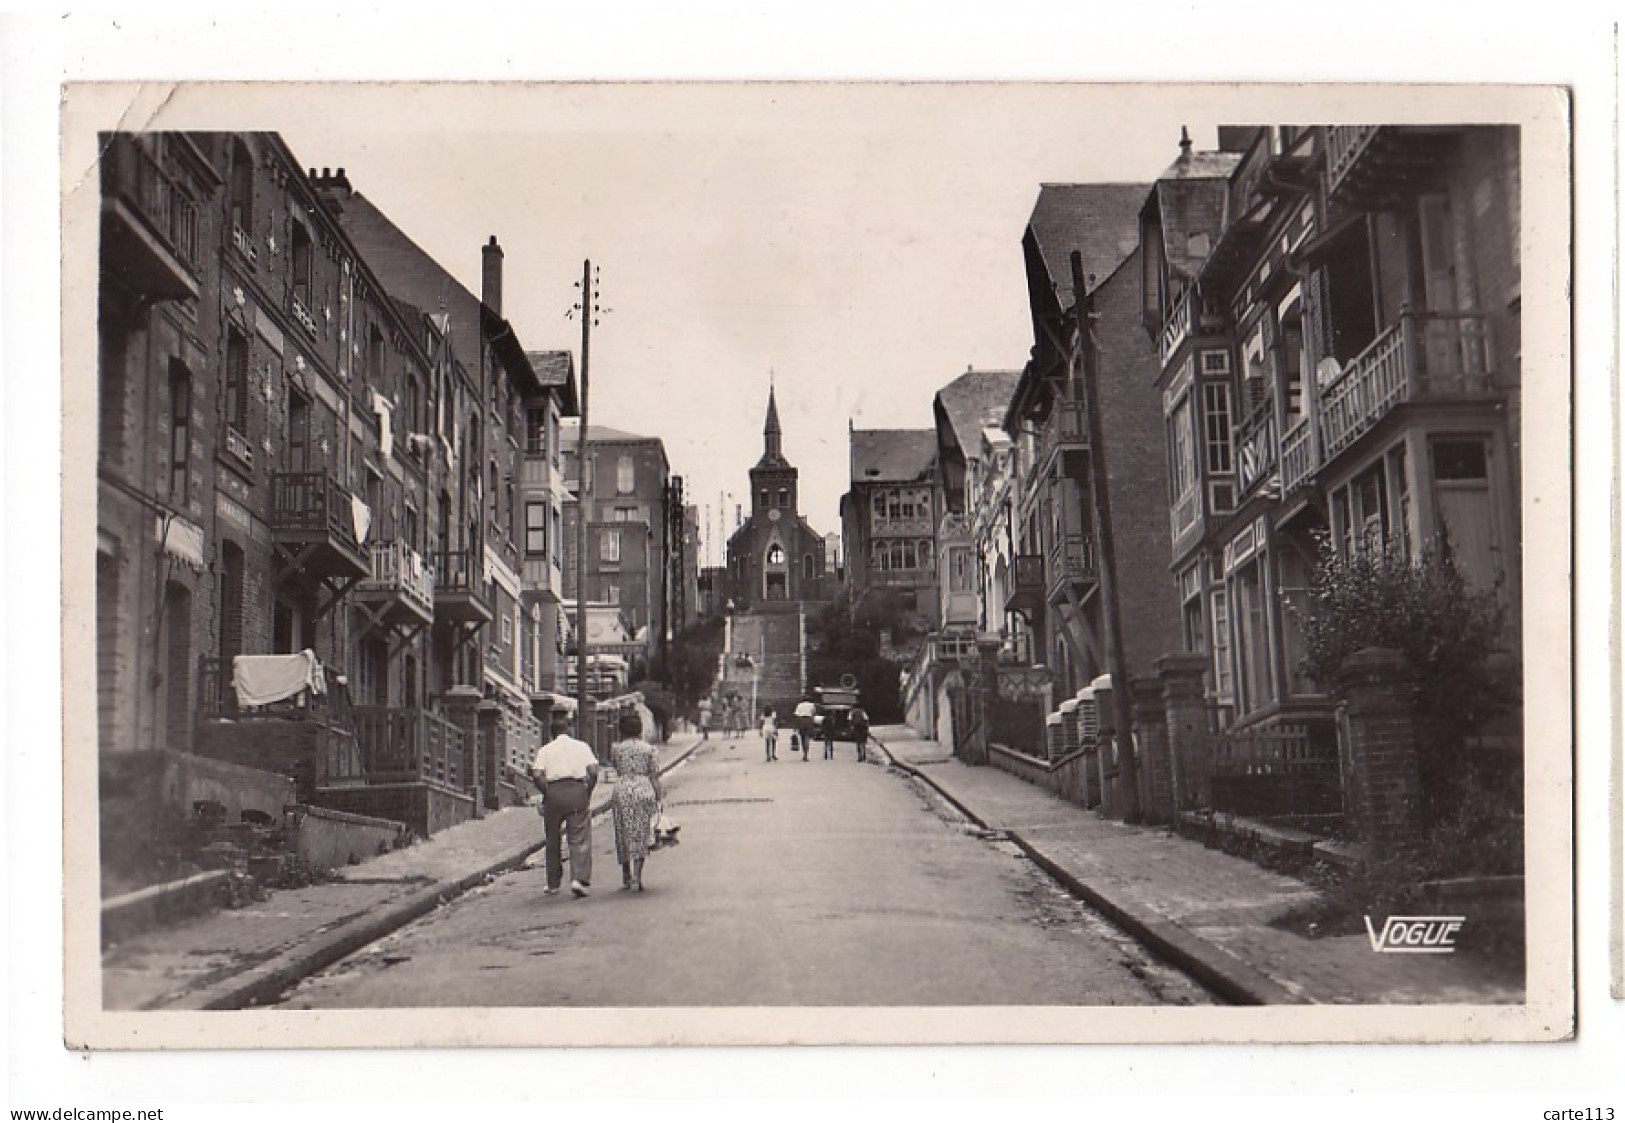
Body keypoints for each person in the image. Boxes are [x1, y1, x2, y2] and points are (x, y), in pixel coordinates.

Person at [531, 710, 599, 897]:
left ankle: (553, 884)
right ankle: (579, 879)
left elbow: (537, 774)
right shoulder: (581, 746)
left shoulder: (545, 750)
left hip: (554, 795)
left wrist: (547, 791)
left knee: (552, 840)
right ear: (569, 730)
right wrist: (587, 792)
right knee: (579, 839)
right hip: (577, 792)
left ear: (552, 733)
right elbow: (593, 771)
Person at [609, 711, 663, 892]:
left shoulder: (616, 748)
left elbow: (616, 768)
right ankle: (637, 877)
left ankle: (625, 873)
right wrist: (659, 797)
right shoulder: (649, 749)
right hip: (643, 788)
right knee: (641, 833)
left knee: (622, 832)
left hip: (622, 789)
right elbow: (654, 775)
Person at [793, 696, 817, 761]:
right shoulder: (812, 705)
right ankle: (806, 754)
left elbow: (796, 715)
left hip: (801, 720)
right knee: (807, 737)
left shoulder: (799, 705)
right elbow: (814, 713)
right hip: (809, 720)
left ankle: (804, 753)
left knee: (802, 737)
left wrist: (795, 726)